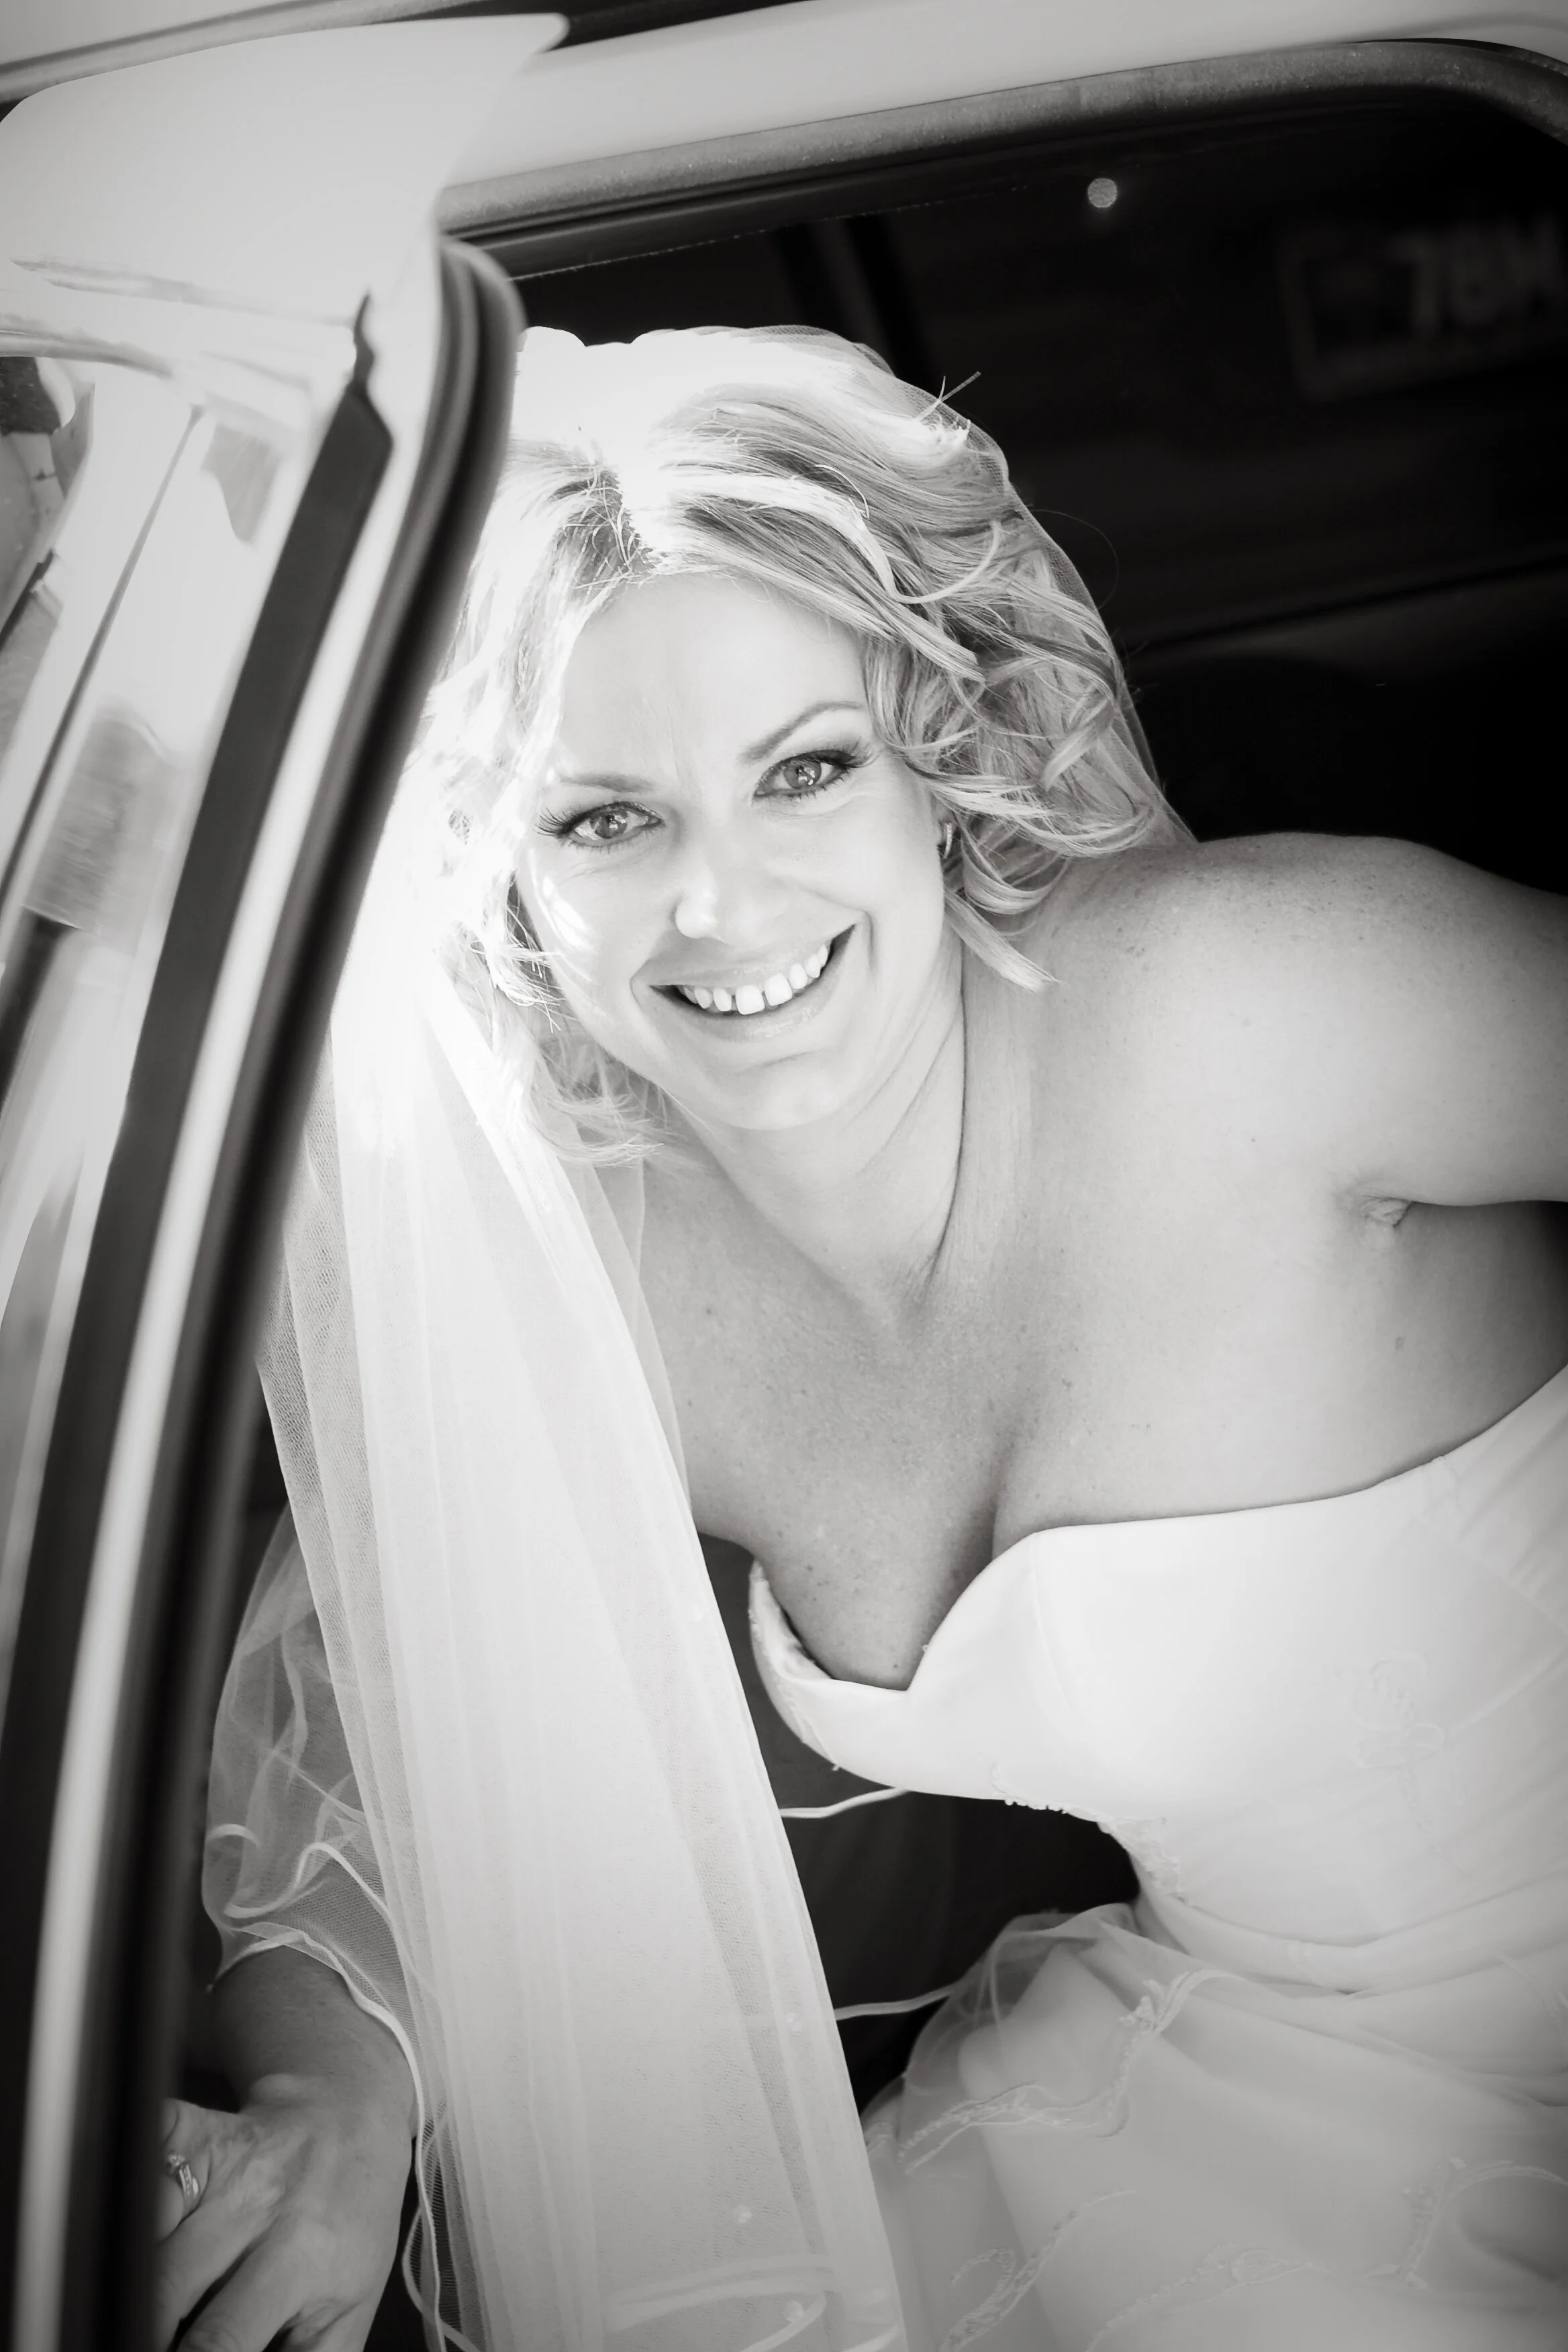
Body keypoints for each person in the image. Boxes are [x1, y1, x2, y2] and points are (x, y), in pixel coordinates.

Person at [157, 323, 1568, 2352]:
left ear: (937, 745)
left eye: (802, 770)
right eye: (605, 821)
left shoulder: (1254, 1010)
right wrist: (337, 2095)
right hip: (1248, 2106)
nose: (727, 909)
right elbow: (385, 1768)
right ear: (493, 880)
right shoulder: (600, 1276)